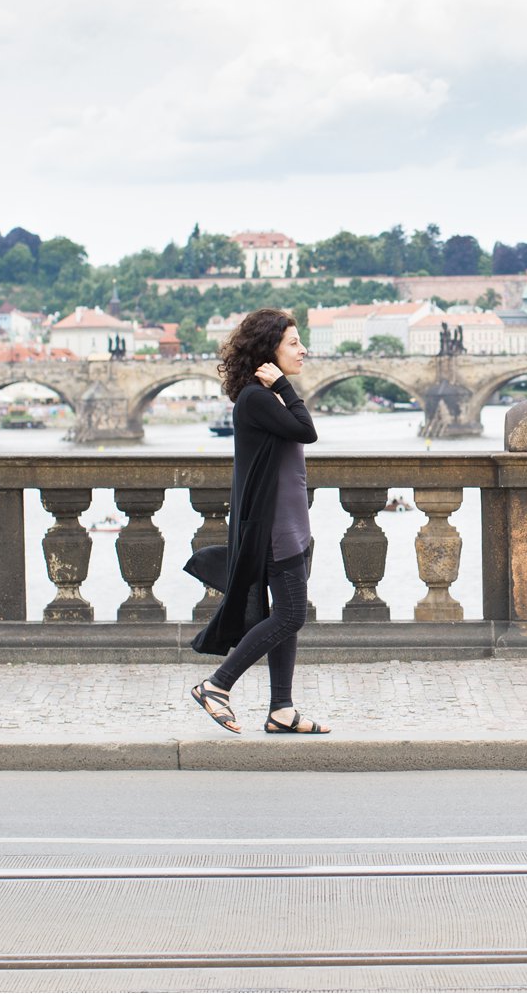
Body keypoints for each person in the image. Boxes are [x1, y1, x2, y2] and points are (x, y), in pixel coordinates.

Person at [186, 307, 331, 735]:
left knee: (286, 616)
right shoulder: (257, 398)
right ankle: (217, 685)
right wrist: (286, 386)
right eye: (293, 343)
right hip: (276, 530)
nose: (303, 350)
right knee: (290, 617)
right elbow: (307, 430)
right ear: (268, 351)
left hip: (290, 526)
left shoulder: (265, 398)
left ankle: (282, 709)